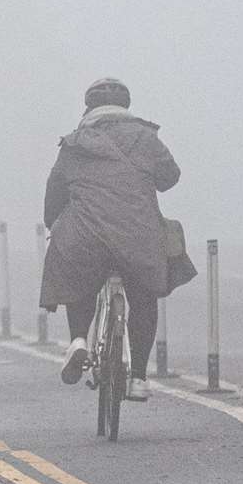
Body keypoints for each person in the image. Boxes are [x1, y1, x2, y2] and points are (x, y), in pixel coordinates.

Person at [39, 78, 195, 401]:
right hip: (137, 236)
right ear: (125, 107)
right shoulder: (146, 138)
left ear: (89, 109)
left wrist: (53, 223)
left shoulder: (75, 143)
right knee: (143, 297)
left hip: (86, 235)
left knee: (77, 278)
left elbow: (54, 191)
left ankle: (79, 340)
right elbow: (170, 177)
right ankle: (138, 377)